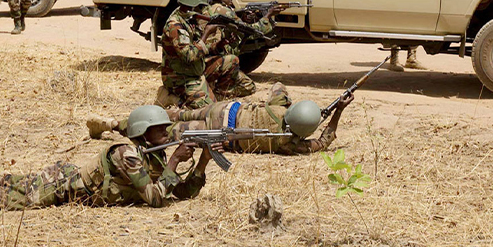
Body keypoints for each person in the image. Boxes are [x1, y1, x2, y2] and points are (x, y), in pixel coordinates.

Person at [0, 106, 224, 218]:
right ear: (141, 132)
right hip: (59, 188)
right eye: (160, 130)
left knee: (4, 179)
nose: (167, 135)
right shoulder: (127, 153)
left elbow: (181, 192)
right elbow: (155, 198)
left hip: (64, 180)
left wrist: (203, 162)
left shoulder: (153, 154)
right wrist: (176, 160)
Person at [89, 82, 353, 155]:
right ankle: (115, 126)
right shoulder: (289, 143)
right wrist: (337, 112)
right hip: (220, 136)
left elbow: (278, 86)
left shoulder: (278, 107)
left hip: (223, 110)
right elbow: (324, 141)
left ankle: (117, 123)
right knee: (168, 132)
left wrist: (291, 102)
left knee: (172, 117)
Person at [200, 0, 279, 98]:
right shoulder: (222, 10)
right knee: (248, 87)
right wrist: (267, 16)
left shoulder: (209, 9)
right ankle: (219, 94)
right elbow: (253, 31)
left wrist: (243, 19)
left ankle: (215, 90)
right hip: (216, 60)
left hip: (208, 58)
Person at [160, 0, 224, 109]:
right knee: (208, 110)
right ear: (193, 7)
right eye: (201, 7)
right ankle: (172, 98)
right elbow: (189, 55)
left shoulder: (188, 20)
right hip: (179, 78)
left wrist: (218, 45)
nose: (203, 11)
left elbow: (198, 48)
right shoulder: (176, 26)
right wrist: (206, 33)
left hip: (193, 72)